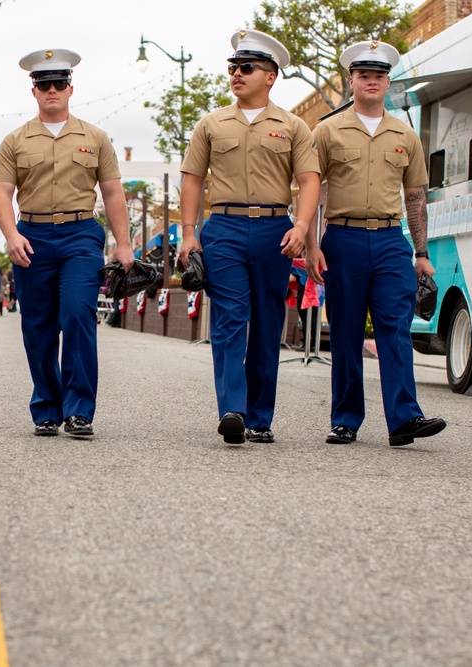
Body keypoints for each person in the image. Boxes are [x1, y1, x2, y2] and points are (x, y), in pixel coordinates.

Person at [178, 29, 321, 446]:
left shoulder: (293, 126)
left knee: (267, 323)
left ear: (271, 75)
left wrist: (301, 226)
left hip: (275, 230)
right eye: (233, 67)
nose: (236, 74)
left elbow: (309, 182)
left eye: (246, 68)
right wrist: (189, 234)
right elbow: (192, 181)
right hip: (222, 228)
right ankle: (233, 410)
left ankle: (260, 417)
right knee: (229, 320)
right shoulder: (211, 124)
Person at [308, 41, 447, 447]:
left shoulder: (405, 134)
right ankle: (346, 419)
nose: (371, 81)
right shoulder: (327, 131)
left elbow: (416, 196)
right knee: (347, 331)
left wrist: (421, 254)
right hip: (343, 238)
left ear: (388, 82)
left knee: (396, 329)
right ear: (351, 80)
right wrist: (313, 245)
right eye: (363, 75)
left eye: (379, 76)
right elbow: (313, 191)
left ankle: (405, 418)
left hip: (390, 240)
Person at [0, 48, 134, 437]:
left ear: (71, 88)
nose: (51, 90)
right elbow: (3, 194)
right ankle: (47, 408)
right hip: (32, 237)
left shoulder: (95, 137)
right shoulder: (14, 141)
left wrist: (123, 244)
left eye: (58, 83)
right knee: (37, 327)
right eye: (43, 84)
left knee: (77, 316)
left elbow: (113, 194)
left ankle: (79, 410)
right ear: (33, 91)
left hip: (80, 236)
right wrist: (11, 235)